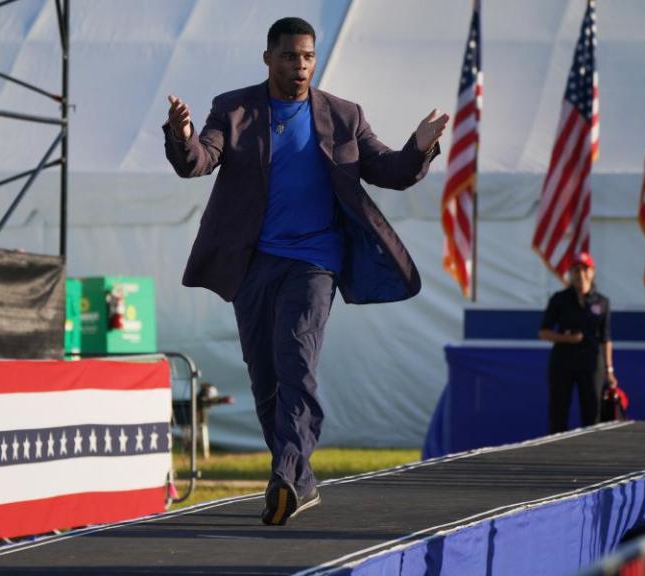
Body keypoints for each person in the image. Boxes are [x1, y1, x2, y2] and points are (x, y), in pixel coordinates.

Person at [163, 17, 447, 525]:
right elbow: (198, 161)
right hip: (252, 263)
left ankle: (286, 475)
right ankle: (299, 480)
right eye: (291, 56)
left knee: (297, 358)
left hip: (316, 262)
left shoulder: (343, 115)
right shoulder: (234, 109)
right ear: (268, 57)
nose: (300, 66)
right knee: (265, 377)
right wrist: (182, 134)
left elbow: (388, 169)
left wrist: (419, 147)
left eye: (308, 57)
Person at [538, 252, 618, 434]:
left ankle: (590, 454)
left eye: (585, 269)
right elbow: (543, 332)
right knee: (558, 412)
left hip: (591, 364)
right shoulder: (560, 299)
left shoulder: (602, 302)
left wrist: (609, 370)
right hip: (563, 362)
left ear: (592, 272)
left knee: (592, 413)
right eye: (576, 270)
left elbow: (606, 338)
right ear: (570, 273)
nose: (581, 274)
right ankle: (556, 453)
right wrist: (566, 338)